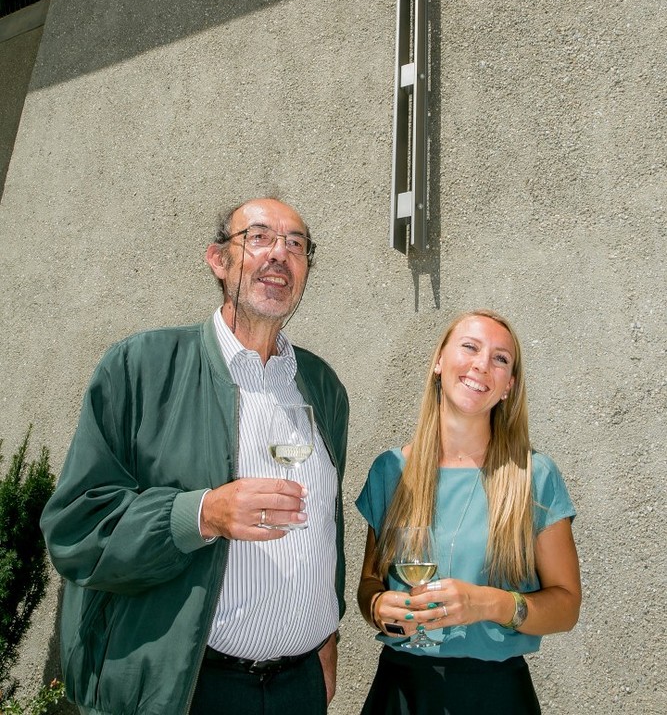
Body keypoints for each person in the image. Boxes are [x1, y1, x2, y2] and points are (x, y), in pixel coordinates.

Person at [41, 197, 348, 715]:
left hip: (299, 687)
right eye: (258, 237)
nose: (279, 253)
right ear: (218, 259)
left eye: (296, 244)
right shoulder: (142, 367)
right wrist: (202, 514)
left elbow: (325, 526)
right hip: (190, 688)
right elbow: (76, 528)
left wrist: (328, 634)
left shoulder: (322, 386)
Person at [356, 309, 580, 715]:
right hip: (401, 691)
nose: (482, 364)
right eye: (470, 347)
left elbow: (566, 608)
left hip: (495, 697)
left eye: (500, 358)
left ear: (509, 386)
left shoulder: (534, 476)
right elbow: (370, 582)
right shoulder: (391, 471)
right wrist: (376, 606)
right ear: (439, 362)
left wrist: (487, 604)